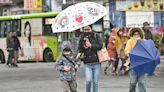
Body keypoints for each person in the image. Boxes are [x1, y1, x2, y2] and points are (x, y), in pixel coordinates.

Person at [77, 25, 103, 92]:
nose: (86, 31)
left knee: (95, 81)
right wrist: (79, 52)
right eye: (85, 30)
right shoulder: (82, 37)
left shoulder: (96, 35)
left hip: (96, 62)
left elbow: (100, 45)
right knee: (88, 80)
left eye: (88, 29)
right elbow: (80, 48)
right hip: (87, 63)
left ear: (91, 29)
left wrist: (91, 45)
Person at [124, 28, 146, 92]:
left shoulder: (144, 41)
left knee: (142, 82)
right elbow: (127, 51)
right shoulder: (130, 41)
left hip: (143, 65)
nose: (136, 35)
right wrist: (132, 54)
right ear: (132, 34)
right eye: (135, 34)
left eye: (138, 34)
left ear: (140, 34)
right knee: (132, 82)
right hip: (133, 64)